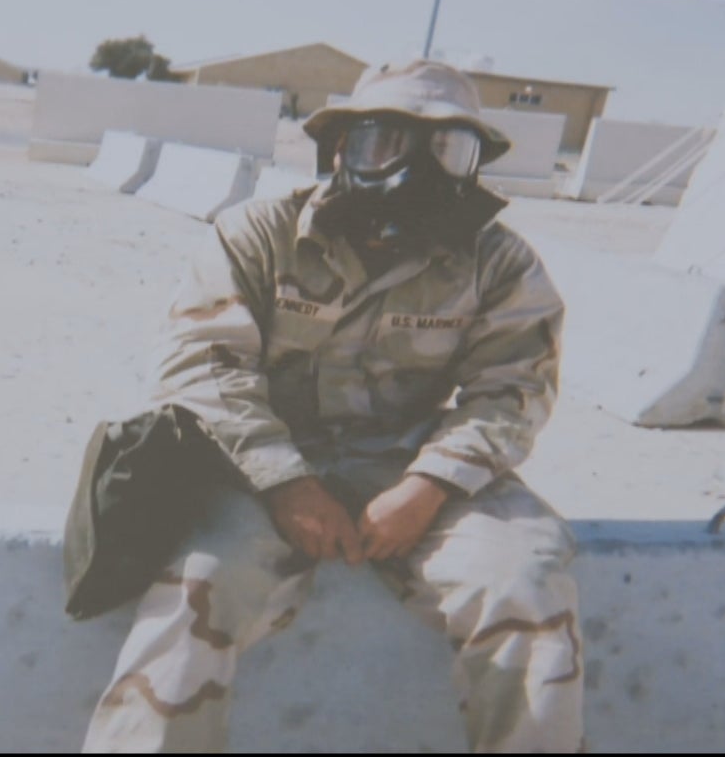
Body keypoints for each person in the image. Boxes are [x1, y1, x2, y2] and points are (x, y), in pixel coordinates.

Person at [82, 59, 582, 753]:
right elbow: (202, 365)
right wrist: (285, 481)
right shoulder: (259, 233)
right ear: (342, 148)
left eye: (447, 151)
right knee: (197, 588)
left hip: (413, 463)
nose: (412, 172)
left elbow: (515, 387)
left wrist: (430, 485)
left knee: (523, 580)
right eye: (385, 144)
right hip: (258, 466)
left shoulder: (497, 261)